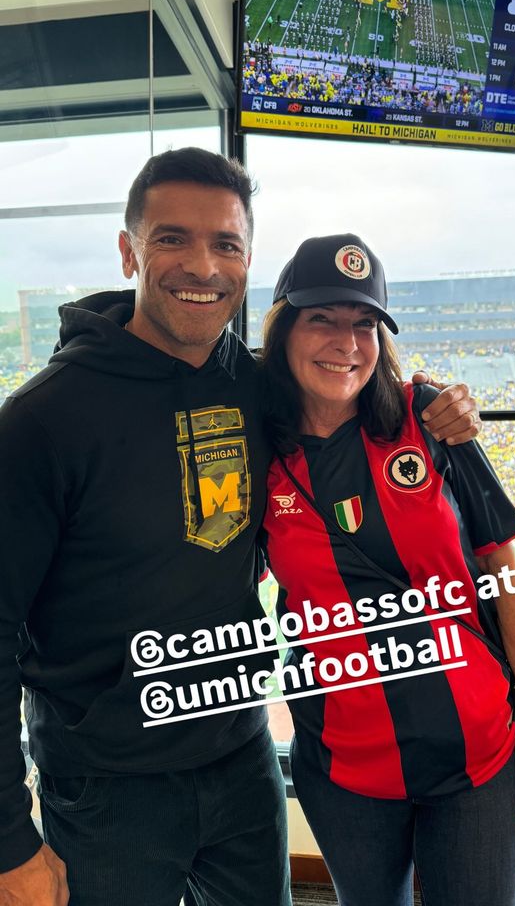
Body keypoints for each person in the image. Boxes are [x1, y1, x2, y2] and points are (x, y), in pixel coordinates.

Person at [0, 150, 480, 906]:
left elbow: (356, 396)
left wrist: (437, 407)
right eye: (171, 239)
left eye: (225, 244)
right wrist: (8, 842)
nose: (203, 265)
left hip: (240, 755)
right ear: (128, 250)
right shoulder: (42, 420)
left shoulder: (259, 386)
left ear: (248, 260)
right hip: (106, 785)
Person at [259, 233, 515, 906]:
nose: (347, 343)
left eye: (364, 323)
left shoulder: (428, 419)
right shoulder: (254, 446)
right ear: (284, 330)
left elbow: (502, 571)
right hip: (344, 770)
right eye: (322, 320)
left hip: (477, 758)